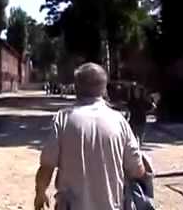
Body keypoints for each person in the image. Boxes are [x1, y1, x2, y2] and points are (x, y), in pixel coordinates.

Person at [34, 62, 146, 210]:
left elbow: (47, 166)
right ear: (104, 88)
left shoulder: (63, 119)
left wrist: (40, 192)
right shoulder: (119, 121)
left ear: (76, 87)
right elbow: (137, 170)